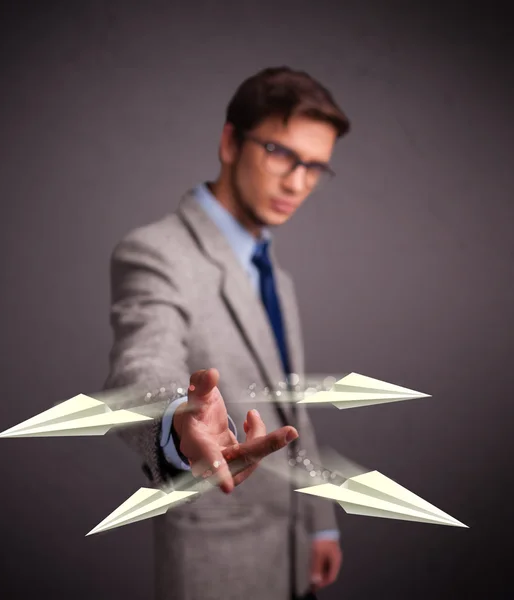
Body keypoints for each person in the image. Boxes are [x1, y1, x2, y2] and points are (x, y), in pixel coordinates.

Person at [104, 66, 350, 600]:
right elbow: (140, 365)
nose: (298, 183)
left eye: (315, 167)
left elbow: (291, 409)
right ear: (230, 141)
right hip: (219, 562)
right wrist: (176, 420)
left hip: (292, 552)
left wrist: (320, 519)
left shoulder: (274, 277)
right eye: (281, 153)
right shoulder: (157, 252)